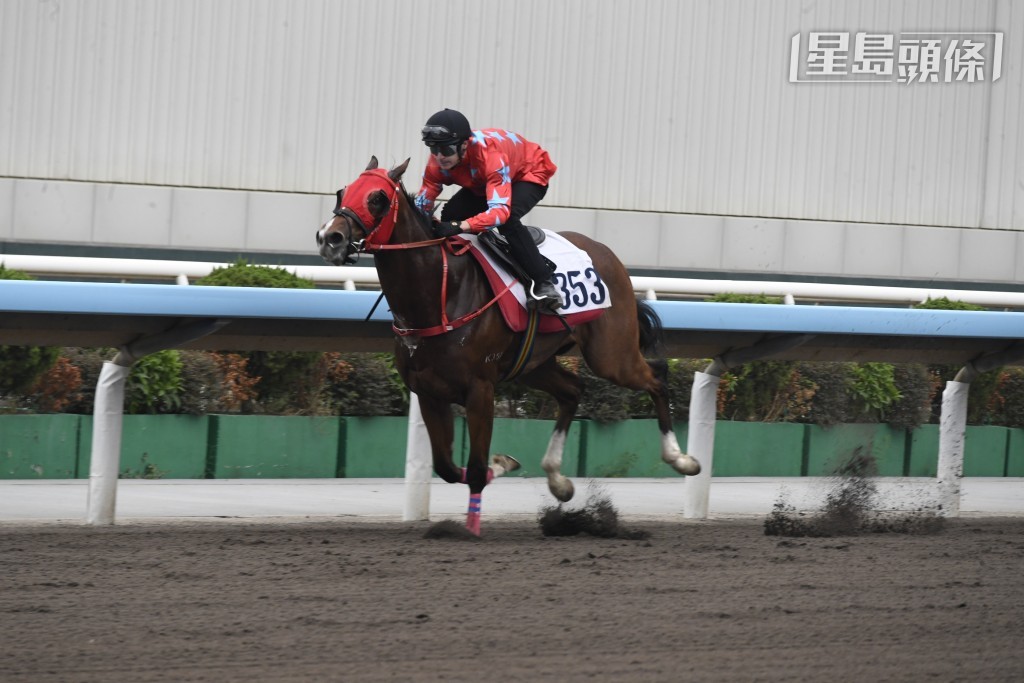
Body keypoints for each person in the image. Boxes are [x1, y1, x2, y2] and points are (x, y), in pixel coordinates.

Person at [414, 108, 563, 311]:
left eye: (446, 150)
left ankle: (543, 282)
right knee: (449, 216)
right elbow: (422, 204)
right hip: (482, 182)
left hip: (527, 174)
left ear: (464, 145)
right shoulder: (437, 162)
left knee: (507, 221)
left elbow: (500, 212)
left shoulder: (489, 155)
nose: (439, 157)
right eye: (433, 149)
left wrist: (461, 226)